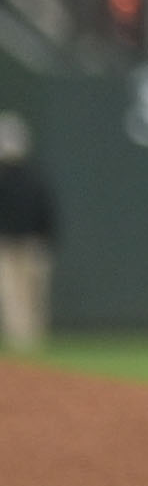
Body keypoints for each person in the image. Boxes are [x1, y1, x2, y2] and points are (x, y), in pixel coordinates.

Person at [0, 115, 53, 354]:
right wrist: (47, 239)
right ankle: (31, 341)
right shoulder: (36, 178)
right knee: (31, 295)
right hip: (31, 242)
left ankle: (21, 342)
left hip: (10, 243)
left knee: (14, 296)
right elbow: (48, 214)